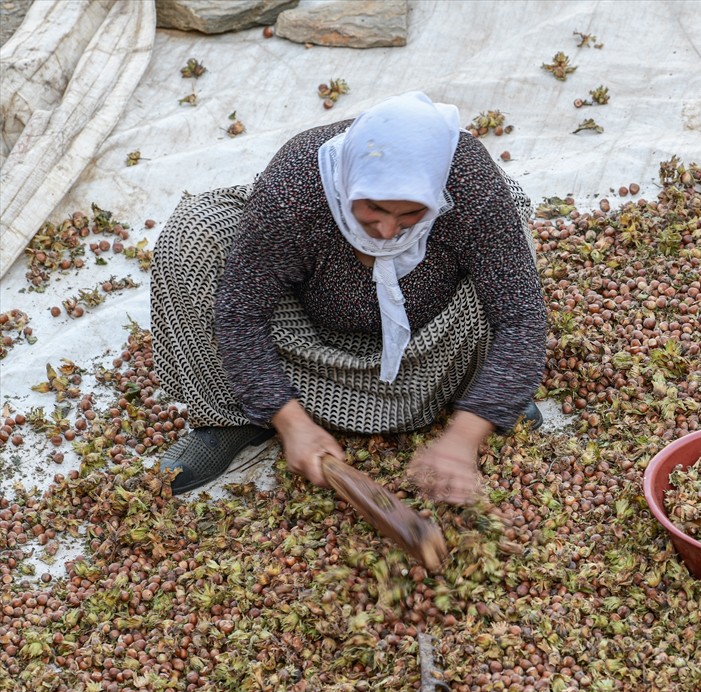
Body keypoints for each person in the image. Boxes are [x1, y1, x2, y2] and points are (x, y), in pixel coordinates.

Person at [151, 91, 547, 504]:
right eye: (373, 207)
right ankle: (232, 415)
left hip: (437, 338)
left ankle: (483, 394)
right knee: (193, 236)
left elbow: (521, 318)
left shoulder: (466, 179)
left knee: (511, 230)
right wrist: (291, 422)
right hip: (308, 335)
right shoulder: (297, 186)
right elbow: (241, 313)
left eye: (411, 213)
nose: (388, 230)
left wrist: (465, 436)